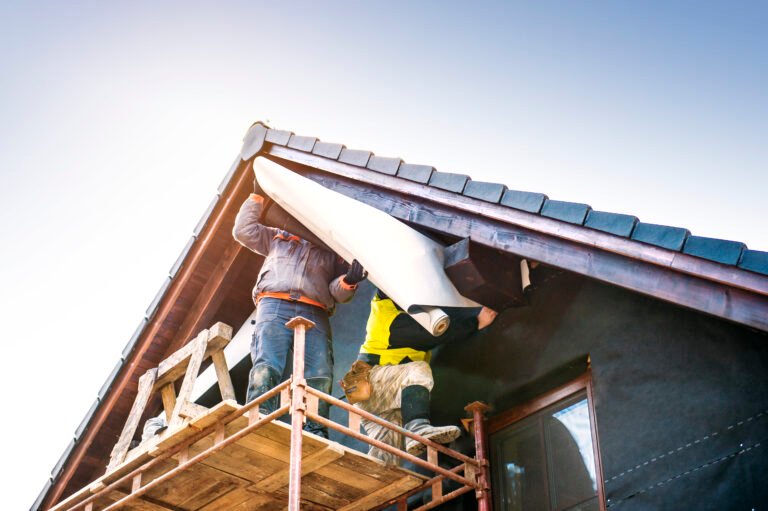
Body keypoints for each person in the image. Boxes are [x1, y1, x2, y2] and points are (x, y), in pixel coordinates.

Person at [233, 191, 367, 438]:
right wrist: (256, 198)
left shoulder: (332, 248)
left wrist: (349, 281)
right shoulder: (278, 235)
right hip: (274, 303)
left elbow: (337, 292)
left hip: (315, 309)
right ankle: (260, 416)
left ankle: (315, 427)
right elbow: (244, 231)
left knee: (320, 372)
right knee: (267, 363)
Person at [347, 289, 497, 464]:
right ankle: (417, 428)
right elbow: (431, 335)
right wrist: (475, 322)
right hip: (368, 383)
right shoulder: (386, 316)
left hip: (381, 394)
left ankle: (375, 476)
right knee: (418, 370)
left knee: (388, 452)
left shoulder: (402, 312)